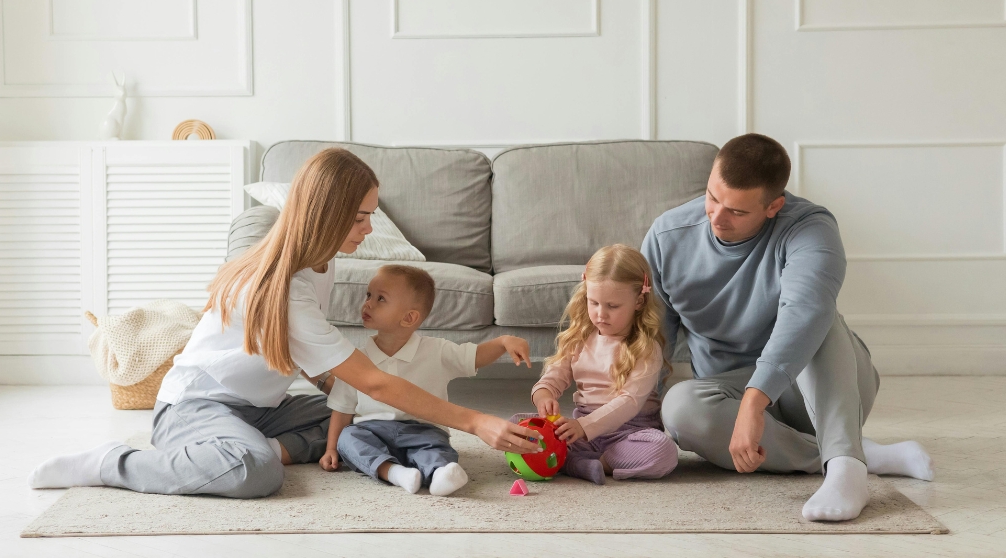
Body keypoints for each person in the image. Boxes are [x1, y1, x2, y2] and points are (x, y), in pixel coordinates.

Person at [28, 148, 539, 497]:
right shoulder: (285, 284)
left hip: (259, 410)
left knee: (355, 421)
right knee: (255, 471)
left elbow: (327, 373)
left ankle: (249, 446)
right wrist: (475, 421)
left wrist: (333, 393)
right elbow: (377, 380)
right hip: (192, 408)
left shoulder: (322, 261)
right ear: (328, 214)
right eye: (361, 217)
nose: (368, 228)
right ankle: (111, 464)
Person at [646, 134, 933, 522]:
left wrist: (754, 400)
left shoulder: (811, 228)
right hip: (727, 396)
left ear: (773, 206)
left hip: (818, 387)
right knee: (679, 407)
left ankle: (847, 467)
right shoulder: (667, 236)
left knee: (820, 316)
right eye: (712, 198)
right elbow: (649, 336)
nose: (716, 217)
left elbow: (806, 311)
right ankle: (853, 454)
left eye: (736, 211)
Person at [319, 264, 532, 496]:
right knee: (348, 438)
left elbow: (474, 357)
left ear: (409, 317)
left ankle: (441, 473)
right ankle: (395, 473)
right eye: (369, 295)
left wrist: (502, 342)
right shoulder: (357, 360)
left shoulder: (436, 351)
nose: (367, 303)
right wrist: (331, 448)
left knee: (435, 447)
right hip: (372, 430)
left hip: (423, 429)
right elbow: (342, 409)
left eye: (381, 299)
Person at [527, 244, 679, 485]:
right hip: (582, 429)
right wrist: (544, 396)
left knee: (663, 452)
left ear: (639, 301)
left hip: (630, 431)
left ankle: (584, 463)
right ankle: (580, 458)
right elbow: (552, 378)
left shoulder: (646, 348)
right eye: (593, 302)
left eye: (612, 306)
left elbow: (629, 403)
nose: (600, 314)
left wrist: (584, 426)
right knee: (518, 425)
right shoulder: (578, 337)